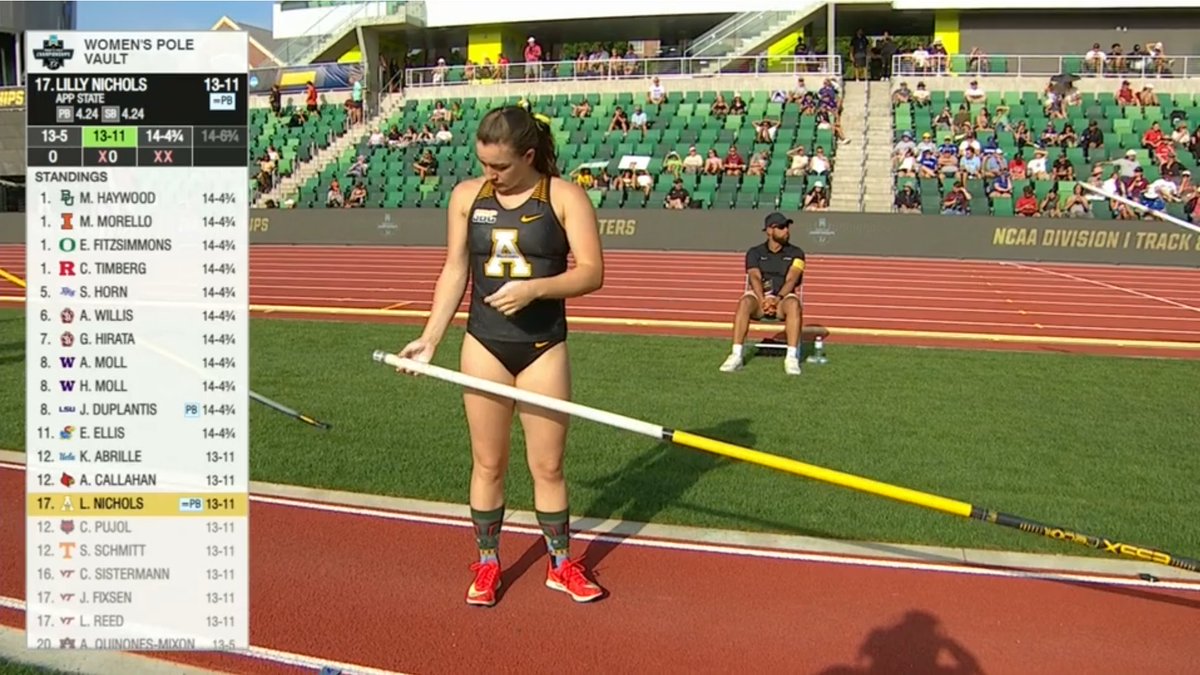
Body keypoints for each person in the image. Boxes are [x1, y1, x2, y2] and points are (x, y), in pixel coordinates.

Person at [395, 106, 606, 607]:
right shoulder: (467, 197)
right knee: (488, 463)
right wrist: (430, 337)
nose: (489, 174)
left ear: (528, 156)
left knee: (548, 466)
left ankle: (560, 565)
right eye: (483, 163)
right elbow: (454, 270)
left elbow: (592, 272)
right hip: (484, 343)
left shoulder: (564, 196)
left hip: (542, 347)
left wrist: (536, 289)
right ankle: (488, 563)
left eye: (500, 166)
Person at [719, 212, 807, 376]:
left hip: (783, 300)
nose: (786, 230)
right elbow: (754, 277)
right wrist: (763, 300)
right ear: (769, 230)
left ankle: (791, 357)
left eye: (787, 227)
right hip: (760, 299)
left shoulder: (797, 253)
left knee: (794, 304)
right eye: (781, 227)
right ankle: (736, 354)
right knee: (744, 302)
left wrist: (776, 299)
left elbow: (792, 279)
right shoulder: (754, 252)